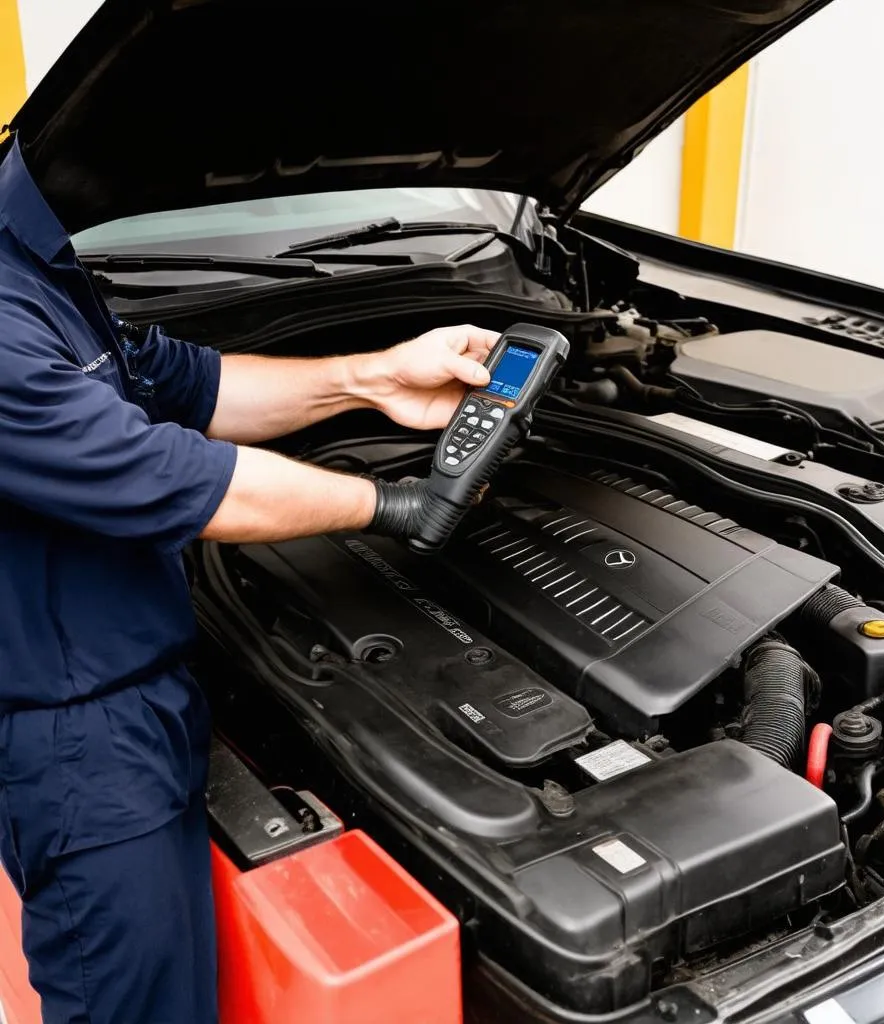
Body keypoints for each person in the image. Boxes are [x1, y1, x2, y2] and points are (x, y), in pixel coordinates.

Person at [0, 134, 499, 1024]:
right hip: (76, 741)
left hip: (140, 685)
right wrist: (396, 505)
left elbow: (181, 384)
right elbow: (167, 473)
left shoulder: (30, 261)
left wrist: (372, 377)